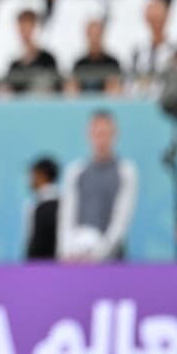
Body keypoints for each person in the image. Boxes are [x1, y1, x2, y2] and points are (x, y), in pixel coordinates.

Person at [58, 110, 138, 263]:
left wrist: (101, 252)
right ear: (89, 134)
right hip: (76, 255)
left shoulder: (126, 171)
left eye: (105, 133)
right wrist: (66, 250)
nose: (101, 138)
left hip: (111, 257)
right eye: (97, 132)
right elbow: (67, 216)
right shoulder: (76, 171)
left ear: (114, 134)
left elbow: (122, 217)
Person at [4, 9, 57, 93]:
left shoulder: (48, 59)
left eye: (28, 28)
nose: (25, 33)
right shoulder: (14, 64)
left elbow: (55, 86)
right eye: (22, 29)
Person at [67, 19, 122, 95]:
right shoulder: (79, 64)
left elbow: (118, 90)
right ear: (87, 35)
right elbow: (73, 89)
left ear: (102, 35)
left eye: (97, 34)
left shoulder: (112, 63)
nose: (94, 38)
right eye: (92, 34)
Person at [23, 156, 59, 261]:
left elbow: (35, 245)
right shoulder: (64, 204)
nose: (30, 178)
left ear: (41, 175)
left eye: (33, 173)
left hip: (40, 268)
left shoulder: (38, 208)